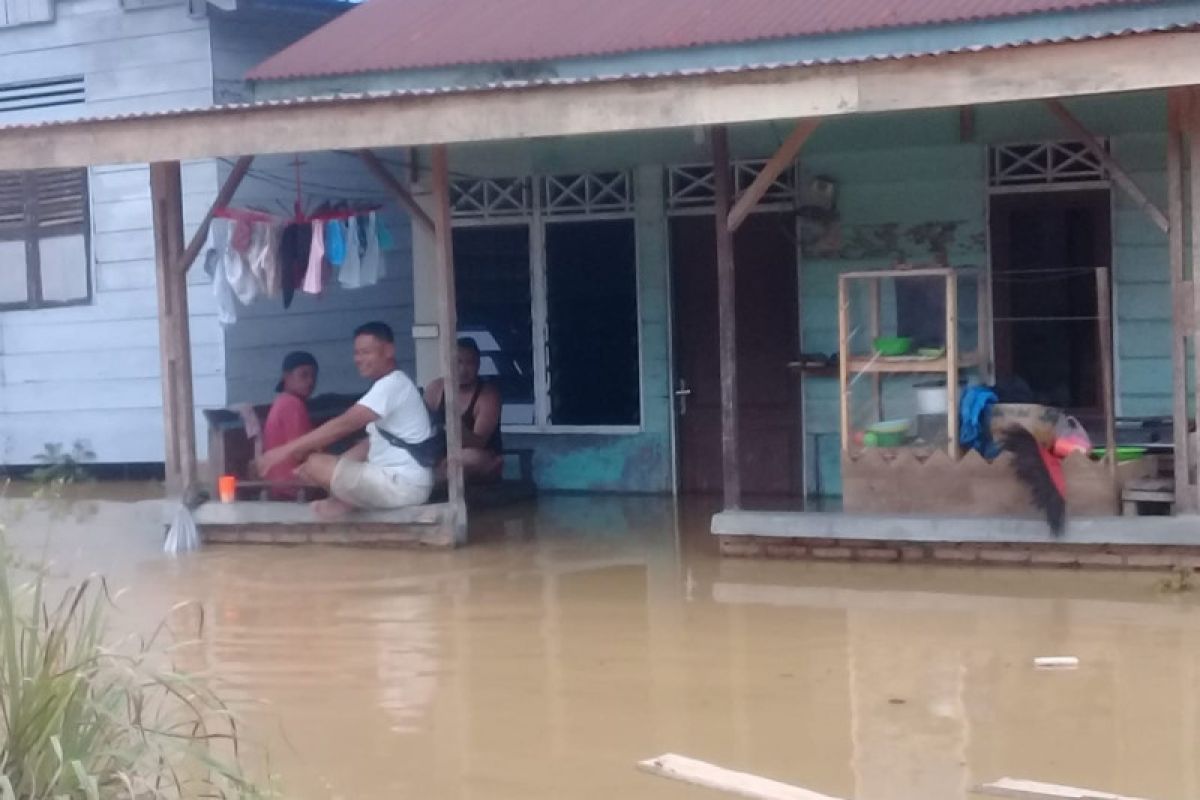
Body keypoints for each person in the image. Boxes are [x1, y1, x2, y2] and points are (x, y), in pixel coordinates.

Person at [256, 322, 435, 518]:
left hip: (402, 485)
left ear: (389, 351)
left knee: (316, 463)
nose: (358, 359)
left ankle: (346, 502)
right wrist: (334, 469)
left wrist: (284, 451)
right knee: (320, 466)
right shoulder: (390, 386)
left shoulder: (392, 384)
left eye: (366, 352)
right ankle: (345, 501)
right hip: (404, 483)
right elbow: (368, 445)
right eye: (356, 353)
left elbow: (345, 423)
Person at [424, 338, 504, 483]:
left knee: (468, 458)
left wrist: (457, 428)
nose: (463, 370)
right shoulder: (435, 388)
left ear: (478, 365)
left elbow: (479, 443)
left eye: (470, 363)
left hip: (477, 455)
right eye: (458, 362)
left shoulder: (488, 395)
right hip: (440, 455)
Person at [261, 350, 318, 498]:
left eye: (313, 376)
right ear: (286, 377)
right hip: (293, 490)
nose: (310, 381)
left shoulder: (282, 401)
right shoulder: (291, 404)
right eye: (304, 375)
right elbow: (300, 451)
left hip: (279, 487)